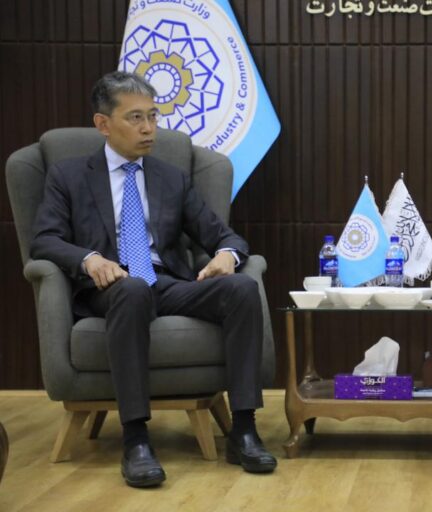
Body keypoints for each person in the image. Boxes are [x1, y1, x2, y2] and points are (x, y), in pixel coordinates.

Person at [30, 71, 277, 488]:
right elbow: (44, 240)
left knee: (242, 288)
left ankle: (244, 430)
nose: (148, 128)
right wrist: (89, 260)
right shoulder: (68, 176)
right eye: (135, 118)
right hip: (110, 288)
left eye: (153, 116)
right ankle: (136, 439)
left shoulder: (171, 177)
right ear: (103, 124)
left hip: (166, 283)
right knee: (130, 289)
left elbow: (224, 236)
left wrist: (226, 255)